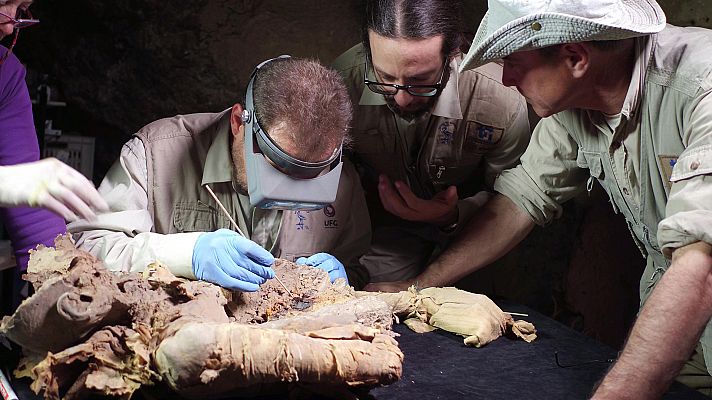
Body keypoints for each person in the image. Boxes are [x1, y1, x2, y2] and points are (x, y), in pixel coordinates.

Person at [374, 0, 712, 397]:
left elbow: (701, 268)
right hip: (679, 329)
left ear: (575, 57)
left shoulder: (700, 88)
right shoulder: (576, 107)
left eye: (515, 62)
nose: (506, 79)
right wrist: (418, 287)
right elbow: (520, 199)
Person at [69, 56, 371, 292]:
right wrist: (187, 255)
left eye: (308, 176)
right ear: (239, 123)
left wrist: (345, 278)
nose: (288, 189)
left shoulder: (341, 180)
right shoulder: (154, 154)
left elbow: (364, 269)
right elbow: (86, 247)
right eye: (278, 166)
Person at [331, 0, 531, 287]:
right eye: (384, 77)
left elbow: (511, 198)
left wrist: (452, 215)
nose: (400, 98)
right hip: (384, 234)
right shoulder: (341, 84)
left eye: (420, 81)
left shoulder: (503, 101)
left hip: (473, 234)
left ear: (453, 53)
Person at [0, 0, 107, 294]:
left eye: (21, 10)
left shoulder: (5, 75)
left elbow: (32, 214)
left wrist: (71, 286)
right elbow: (13, 182)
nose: (10, 26)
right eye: (2, 3)